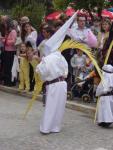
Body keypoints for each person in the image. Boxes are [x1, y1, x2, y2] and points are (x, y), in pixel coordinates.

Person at [36, 49, 68, 134]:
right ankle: (55, 127)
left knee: (50, 107)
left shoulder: (47, 58)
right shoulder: (61, 57)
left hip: (53, 84)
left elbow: (41, 71)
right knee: (59, 107)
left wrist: (39, 63)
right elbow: (66, 70)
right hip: (63, 83)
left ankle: (46, 128)